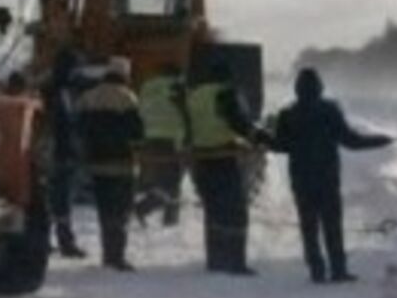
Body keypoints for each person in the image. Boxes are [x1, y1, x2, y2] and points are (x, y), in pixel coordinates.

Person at [269, 67, 392, 284]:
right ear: (319, 88)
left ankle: (316, 270)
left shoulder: (287, 115)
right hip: (327, 177)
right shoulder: (329, 110)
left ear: (297, 90)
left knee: (309, 226)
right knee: (332, 225)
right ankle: (338, 270)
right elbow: (351, 141)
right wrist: (380, 140)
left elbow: (279, 146)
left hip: (301, 179)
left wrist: (262, 136)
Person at [187, 60, 266, 275]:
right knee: (235, 211)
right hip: (223, 157)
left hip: (201, 159)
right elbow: (237, 121)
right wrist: (258, 137)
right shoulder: (225, 92)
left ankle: (215, 260)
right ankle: (235, 261)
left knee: (213, 211)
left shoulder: (194, 95)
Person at [75, 58, 143, 271]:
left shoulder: (88, 97)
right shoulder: (127, 97)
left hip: (97, 164)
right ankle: (117, 255)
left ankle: (107, 254)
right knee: (121, 211)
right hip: (122, 163)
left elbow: (79, 129)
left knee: (105, 211)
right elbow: (137, 132)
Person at [44, 47, 87, 258]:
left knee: (54, 199)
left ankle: (52, 239)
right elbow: (64, 124)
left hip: (57, 151)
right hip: (60, 152)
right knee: (60, 199)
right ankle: (65, 241)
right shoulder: (61, 93)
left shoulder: (54, 90)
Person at [135, 62, 189, 227]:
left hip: (149, 137)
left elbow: (140, 109)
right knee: (172, 181)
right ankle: (155, 212)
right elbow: (185, 110)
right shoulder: (178, 86)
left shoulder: (147, 87)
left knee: (162, 179)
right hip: (171, 137)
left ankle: (165, 214)